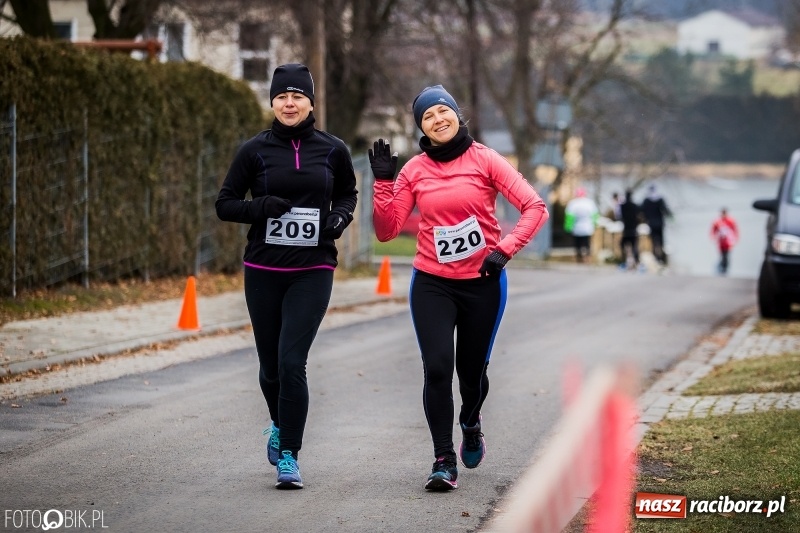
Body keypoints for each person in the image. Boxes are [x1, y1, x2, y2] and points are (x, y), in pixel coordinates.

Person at [370, 85, 549, 491]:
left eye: (442, 111)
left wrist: (504, 250)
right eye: (427, 116)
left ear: (456, 114)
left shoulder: (485, 159)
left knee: (471, 375)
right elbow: (386, 231)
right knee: (437, 368)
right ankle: (443, 460)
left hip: (483, 282)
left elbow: (535, 207)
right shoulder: (414, 170)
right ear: (422, 128)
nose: (438, 119)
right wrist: (382, 183)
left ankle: (470, 421)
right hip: (432, 283)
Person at [215, 63, 358, 490]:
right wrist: (259, 207)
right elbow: (225, 204)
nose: (289, 103)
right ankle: (279, 423)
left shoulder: (333, 150)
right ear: (273, 102)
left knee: (292, 362)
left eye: (297, 96)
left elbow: (348, 194)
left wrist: (339, 218)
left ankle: (290, 456)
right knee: (270, 367)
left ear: (311, 102)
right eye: (282, 97)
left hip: (313, 268)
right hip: (263, 269)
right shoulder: (253, 151)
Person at [564, 187, 599, 263]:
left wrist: (568, 227)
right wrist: (595, 224)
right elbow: (595, 216)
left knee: (577, 244)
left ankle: (579, 258)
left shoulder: (573, 203)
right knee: (587, 243)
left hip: (576, 228)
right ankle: (587, 257)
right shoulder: (590, 203)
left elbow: (569, 217)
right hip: (588, 228)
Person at [640, 184, 673, 266]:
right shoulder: (660, 199)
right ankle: (661, 258)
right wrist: (671, 216)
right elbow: (665, 210)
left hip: (651, 224)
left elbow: (641, 210)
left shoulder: (646, 200)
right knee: (661, 241)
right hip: (660, 224)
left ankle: (656, 257)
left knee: (654, 241)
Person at [619, 189, 642, 270]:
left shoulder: (622, 206)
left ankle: (624, 261)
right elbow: (640, 216)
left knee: (622, 245)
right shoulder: (635, 206)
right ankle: (636, 262)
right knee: (635, 247)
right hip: (633, 230)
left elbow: (619, 217)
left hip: (626, 230)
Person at [710, 208, 739, 274]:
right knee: (722, 255)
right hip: (721, 241)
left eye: (724, 213)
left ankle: (725, 267)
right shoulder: (717, 222)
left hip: (728, 241)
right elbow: (713, 230)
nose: (723, 214)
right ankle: (723, 266)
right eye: (722, 213)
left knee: (726, 255)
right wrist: (713, 237)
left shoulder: (731, 221)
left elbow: (735, 230)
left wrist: (735, 239)